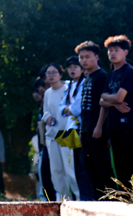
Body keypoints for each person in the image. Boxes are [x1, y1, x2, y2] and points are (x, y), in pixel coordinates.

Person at [75, 41, 112, 198]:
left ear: (96, 57)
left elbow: (104, 105)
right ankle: (99, 199)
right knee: (89, 166)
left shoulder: (102, 76)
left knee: (102, 165)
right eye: (81, 57)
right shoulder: (87, 78)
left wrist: (99, 126)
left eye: (87, 57)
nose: (84, 60)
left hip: (97, 129)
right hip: (85, 129)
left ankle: (113, 199)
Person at [98, 35, 133, 189]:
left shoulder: (129, 71)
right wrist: (113, 103)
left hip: (128, 124)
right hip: (112, 125)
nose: (112, 53)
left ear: (125, 52)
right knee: (118, 165)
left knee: (129, 162)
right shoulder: (111, 73)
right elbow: (101, 100)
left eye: (116, 50)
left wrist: (109, 100)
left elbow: (119, 98)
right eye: (110, 50)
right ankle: (125, 199)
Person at [41, 63, 78, 200]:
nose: (51, 75)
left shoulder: (69, 88)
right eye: (48, 73)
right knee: (56, 171)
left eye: (54, 72)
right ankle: (63, 199)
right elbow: (45, 112)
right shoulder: (47, 93)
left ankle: (79, 198)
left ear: (60, 74)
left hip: (66, 134)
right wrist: (48, 118)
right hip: (52, 135)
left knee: (70, 170)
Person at [60, 55, 93, 200]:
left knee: (84, 165)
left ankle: (87, 197)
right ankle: (81, 198)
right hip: (70, 129)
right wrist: (68, 109)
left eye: (75, 67)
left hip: (82, 128)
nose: (72, 70)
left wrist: (68, 110)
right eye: (70, 67)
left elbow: (76, 108)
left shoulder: (84, 83)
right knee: (75, 166)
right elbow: (61, 109)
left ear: (81, 68)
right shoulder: (67, 86)